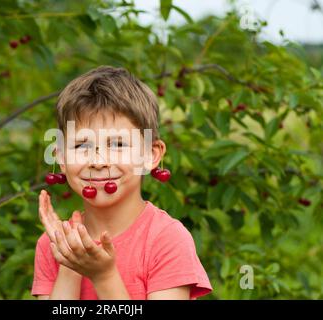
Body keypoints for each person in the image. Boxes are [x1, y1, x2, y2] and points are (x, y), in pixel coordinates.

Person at [31, 66, 212, 300]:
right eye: (81, 146)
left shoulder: (165, 238)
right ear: (62, 158)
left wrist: (104, 277)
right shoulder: (52, 244)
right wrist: (69, 263)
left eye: (117, 144)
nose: (98, 161)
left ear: (151, 155)